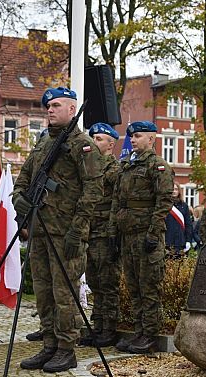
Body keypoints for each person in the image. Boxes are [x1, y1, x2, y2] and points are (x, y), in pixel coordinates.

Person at [13, 87, 103, 373]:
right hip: (40, 229)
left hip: (66, 233)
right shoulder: (43, 144)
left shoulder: (83, 146)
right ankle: (49, 344)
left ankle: (66, 349)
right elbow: (23, 179)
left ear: (71, 109)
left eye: (56, 105)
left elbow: (93, 190)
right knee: (43, 291)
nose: (50, 110)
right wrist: (20, 203)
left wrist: (78, 230)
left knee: (65, 292)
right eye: (48, 106)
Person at [109, 120, 174, 354]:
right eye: (132, 137)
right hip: (127, 235)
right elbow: (117, 201)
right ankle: (138, 331)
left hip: (147, 236)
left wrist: (153, 233)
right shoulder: (125, 165)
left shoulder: (157, 166)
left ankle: (150, 335)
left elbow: (164, 201)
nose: (133, 140)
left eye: (138, 136)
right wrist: (113, 233)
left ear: (151, 139)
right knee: (133, 286)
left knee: (149, 287)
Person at [81, 122, 122, 348]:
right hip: (90, 231)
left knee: (108, 283)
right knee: (95, 282)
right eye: (93, 138)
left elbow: (118, 201)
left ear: (111, 144)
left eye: (99, 139)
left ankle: (109, 328)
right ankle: (97, 326)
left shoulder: (114, 170)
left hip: (106, 232)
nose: (94, 142)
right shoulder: (89, 166)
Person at [164, 182, 193, 258]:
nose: (174, 191)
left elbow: (188, 225)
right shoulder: (164, 205)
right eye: (172, 189)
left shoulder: (184, 206)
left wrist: (188, 241)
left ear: (179, 191)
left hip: (181, 242)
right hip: (168, 241)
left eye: (176, 189)